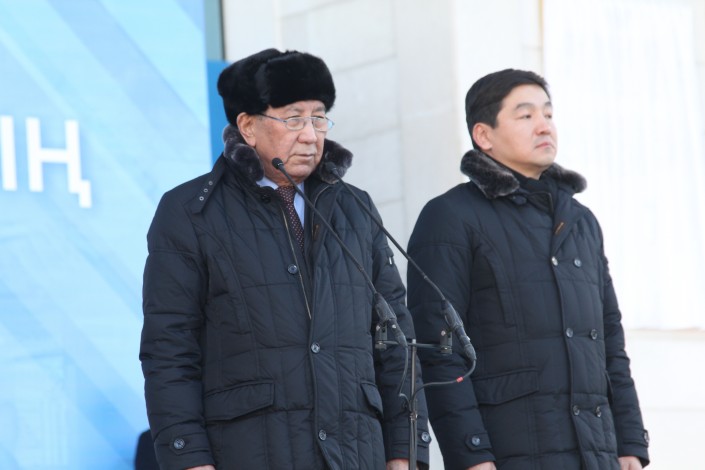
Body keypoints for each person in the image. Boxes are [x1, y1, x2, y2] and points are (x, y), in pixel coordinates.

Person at [139, 48, 430, 470]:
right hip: (249, 451)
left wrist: (404, 452)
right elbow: (169, 350)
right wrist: (189, 460)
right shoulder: (190, 212)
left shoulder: (356, 209)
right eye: (293, 119)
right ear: (248, 126)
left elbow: (397, 341)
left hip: (356, 453)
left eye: (319, 118)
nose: (311, 135)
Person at [406, 69, 649, 470]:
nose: (544, 126)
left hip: (597, 452)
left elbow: (609, 341)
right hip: (509, 453)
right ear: (484, 135)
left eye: (548, 114)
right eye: (525, 115)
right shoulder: (450, 217)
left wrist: (630, 444)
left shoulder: (580, 222)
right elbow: (437, 350)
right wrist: (471, 456)